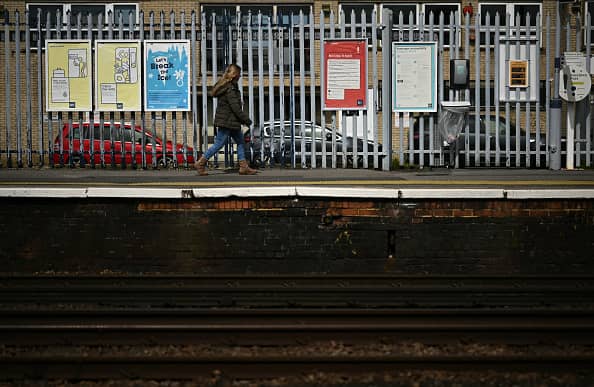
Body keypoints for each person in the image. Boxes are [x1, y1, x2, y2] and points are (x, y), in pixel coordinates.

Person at [195, 63, 257, 175]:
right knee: (219, 144)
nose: (240, 76)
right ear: (234, 75)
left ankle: (244, 167)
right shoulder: (230, 89)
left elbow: (232, 105)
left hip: (231, 121)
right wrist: (247, 120)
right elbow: (235, 109)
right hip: (228, 122)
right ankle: (201, 162)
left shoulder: (229, 86)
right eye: (239, 74)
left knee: (240, 142)